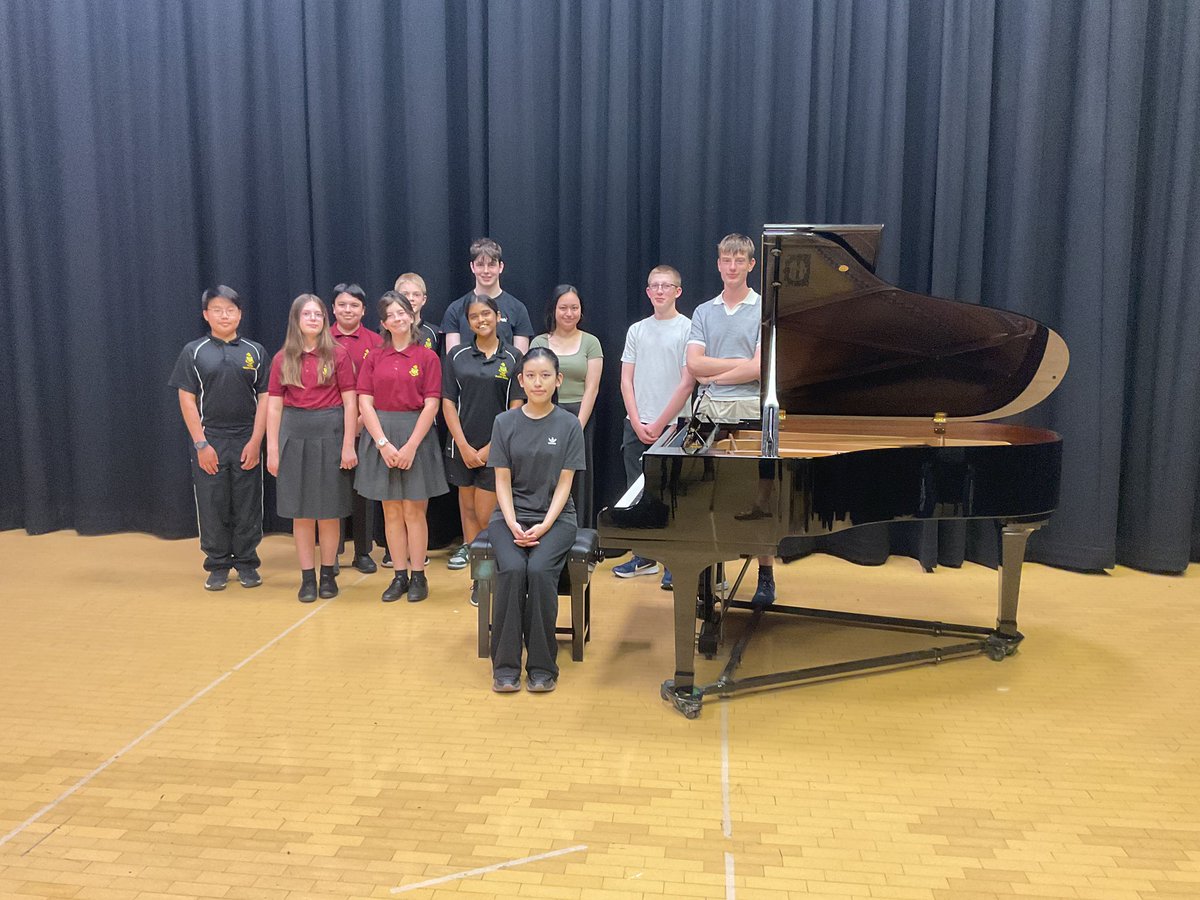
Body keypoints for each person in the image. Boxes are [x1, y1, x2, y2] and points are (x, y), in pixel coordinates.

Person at [487, 347, 585, 693]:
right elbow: (501, 480)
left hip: (556, 518)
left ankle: (543, 667)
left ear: (558, 380)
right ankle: (506, 666)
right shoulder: (504, 422)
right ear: (521, 381)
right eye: (531, 376)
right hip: (509, 516)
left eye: (546, 375)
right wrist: (513, 522)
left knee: (540, 571)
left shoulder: (569, 424)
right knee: (512, 570)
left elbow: (565, 483)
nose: (538, 382)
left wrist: (544, 526)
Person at [685, 233, 775, 607]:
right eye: (726, 260)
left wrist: (715, 373)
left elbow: (759, 368)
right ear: (719, 263)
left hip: (750, 412)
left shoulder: (763, 309)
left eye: (740, 260)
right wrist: (738, 368)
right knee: (710, 494)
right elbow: (694, 364)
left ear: (752, 265)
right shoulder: (705, 311)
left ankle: (765, 574)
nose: (732, 267)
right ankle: (711, 574)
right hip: (708, 413)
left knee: (758, 496)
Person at [169, 285, 270, 590]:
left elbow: (266, 399)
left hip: (246, 438)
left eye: (230, 310)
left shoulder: (255, 352)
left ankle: (246, 562)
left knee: (247, 502)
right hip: (209, 438)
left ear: (240, 314)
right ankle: (217, 564)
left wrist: (256, 442)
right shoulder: (193, 351)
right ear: (206, 315)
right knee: (212, 503)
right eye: (217, 310)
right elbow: (187, 399)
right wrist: (201, 444)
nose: (224, 315)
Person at [355, 292, 448, 603]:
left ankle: (419, 575)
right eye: (390, 315)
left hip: (416, 437)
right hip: (381, 435)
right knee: (391, 511)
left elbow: (432, 403)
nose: (397, 318)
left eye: (402, 312)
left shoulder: (427, 357)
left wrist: (409, 446)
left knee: (413, 511)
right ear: (383, 323)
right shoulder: (374, 358)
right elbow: (364, 402)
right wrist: (382, 444)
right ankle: (398, 575)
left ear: (411, 315)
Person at [266, 294, 358, 602]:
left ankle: (328, 573)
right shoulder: (282, 359)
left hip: (330, 432)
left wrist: (348, 445)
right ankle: (307, 577)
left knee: (329, 512)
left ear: (324, 319)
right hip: (294, 433)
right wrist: (274, 449)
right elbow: (275, 408)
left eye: (318, 314)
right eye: (307, 314)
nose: (313, 319)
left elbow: (350, 402)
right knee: (302, 513)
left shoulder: (339, 355)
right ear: (296, 319)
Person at [613, 265, 695, 589]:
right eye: (654, 286)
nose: (659, 291)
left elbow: (688, 383)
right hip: (636, 426)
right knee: (639, 494)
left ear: (678, 291)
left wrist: (661, 423)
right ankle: (645, 554)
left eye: (666, 286)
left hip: (675, 426)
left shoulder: (689, 330)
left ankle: (675, 562)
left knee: (673, 495)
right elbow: (625, 380)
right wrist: (636, 420)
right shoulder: (637, 330)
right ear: (647, 292)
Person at [442, 295, 524, 585]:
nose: (481, 320)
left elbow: (516, 408)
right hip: (461, 448)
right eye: (474, 316)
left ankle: (492, 577)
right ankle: (480, 579)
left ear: (498, 315)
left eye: (486, 314)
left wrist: (492, 448)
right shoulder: (456, 355)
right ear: (468, 321)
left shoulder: (514, 357)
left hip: (496, 450)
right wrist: (463, 446)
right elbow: (448, 402)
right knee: (467, 512)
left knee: (487, 517)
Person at [529, 285, 602, 526]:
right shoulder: (540, 341)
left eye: (574, 308)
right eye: (563, 308)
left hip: (580, 416)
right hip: (545, 415)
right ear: (554, 310)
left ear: (581, 311)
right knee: (546, 475)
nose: (569, 313)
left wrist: (576, 426)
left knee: (578, 477)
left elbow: (592, 388)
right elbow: (533, 380)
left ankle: (579, 535)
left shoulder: (591, 342)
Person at [330, 282, 384, 574]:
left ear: (363, 310)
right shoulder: (322, 338)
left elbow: (380, 385)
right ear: (333, 308)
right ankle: (332, 550)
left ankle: (363, 551)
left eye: (354, 305)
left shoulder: (376, 342)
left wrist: (361, 421)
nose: (347, 310)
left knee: (364, 491)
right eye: (342, 304)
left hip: (366, 424)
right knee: (331, 489)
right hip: (329, 427)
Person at [440, 238, 534, 353]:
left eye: (491, 265)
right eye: (480, 265)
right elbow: (453, 359)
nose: (486, 271)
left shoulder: (518, 309)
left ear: (501, 267)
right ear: (472, 267)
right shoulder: (455, 309)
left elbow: (520, 360)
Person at [394, 272, 440, 353]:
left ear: (424, 300)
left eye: (416, 294)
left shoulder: (434, 333)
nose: (411, 298)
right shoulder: (387, 330)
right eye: (405, 294)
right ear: (396, 298)